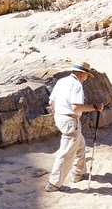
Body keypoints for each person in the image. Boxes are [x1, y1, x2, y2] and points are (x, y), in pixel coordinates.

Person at [45, 60, 104, 192]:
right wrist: (95, 107)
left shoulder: (61, 81)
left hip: (60, 118)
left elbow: (51, 101)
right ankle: (53, 184)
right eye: (87, 76)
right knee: (66, 153)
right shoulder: (77, 85)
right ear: (83, 74)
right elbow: (76, 106)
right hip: (71, 121)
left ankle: (78, 173)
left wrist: (57, 115)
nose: (87, 79)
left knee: (80, 145)